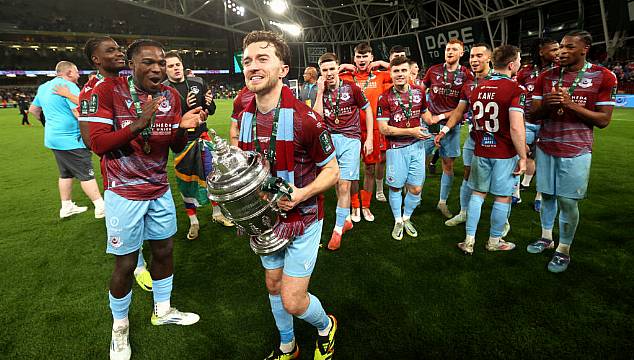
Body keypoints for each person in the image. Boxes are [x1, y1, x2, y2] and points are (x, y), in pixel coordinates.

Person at [81, 39, 205, 360]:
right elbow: (97, 144)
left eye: (161, 63)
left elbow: (176, 146)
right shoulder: (108, 92)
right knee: (125, 263)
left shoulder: (170, 95)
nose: (157, 69)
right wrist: (139, 124)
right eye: (148, 63)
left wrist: (186, 127)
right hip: (124, 193)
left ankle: (162, 310)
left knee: (164, 250)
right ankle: (119, 328)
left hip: (159, 189)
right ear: (132, 65)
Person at [237, 30, 339, 360]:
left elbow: (333, 171)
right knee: (272, 285)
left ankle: (325, 326)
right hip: (267, 219)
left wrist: (301, 194)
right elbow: (248, 167)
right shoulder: (245, 114)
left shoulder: (307, 119)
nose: (252, 66)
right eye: (248, 60)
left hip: (302, 218)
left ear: (284, 69)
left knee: (293, 300)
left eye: (262, 58)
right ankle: (288, 346)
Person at [527, 30, 617, 272]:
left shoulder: (603, 76)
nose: (562, 52)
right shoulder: (546, 76)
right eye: (560, 48)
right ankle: (546, 237)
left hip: (577, 150)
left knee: (567, 201)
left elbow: (603, 120)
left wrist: (570, 105)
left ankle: (563, 249)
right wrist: (547, 105)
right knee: (546, 195)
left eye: (568, 47)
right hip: (546, 145)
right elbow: (531, 114)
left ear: (584, 49)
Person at [78, 36, 153, 293]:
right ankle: (140, 266)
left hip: (146, 168)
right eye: (110, 51)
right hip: (120, 172)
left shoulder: (129, 82)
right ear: (96, 59)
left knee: (150, 225)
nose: (119, 53)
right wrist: (131, 135)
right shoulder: (92, 90)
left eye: (119, 49)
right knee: (130, 237)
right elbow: (93, 141)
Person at [454, 44, 527, 255]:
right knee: (502, 197)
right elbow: (516, 126)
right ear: (512, 64)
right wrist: (523, 156)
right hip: (504, 152)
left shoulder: (478, 88)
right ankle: (494, 241)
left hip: (481, 149)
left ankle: (468, 241)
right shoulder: (515, 89)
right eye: (519, 61)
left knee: (477, 194)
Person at [163, 51, 233, 240]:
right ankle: (193, 222)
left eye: (177, 64)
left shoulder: (198, 82)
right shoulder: (163, 90)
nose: (175, 68)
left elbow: (210, 110)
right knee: (186, 183)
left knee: (213, 177)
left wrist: (210, 104)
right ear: (165, 69)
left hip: (203, 138)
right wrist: (183, 108)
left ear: (182, 65)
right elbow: (164, 120)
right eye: (170, 66)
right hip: (181, 143)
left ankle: (217, 213)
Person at [28, 61, 105, 219]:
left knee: (66, 173)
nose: (78, 75)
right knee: (86, 173)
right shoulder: (68, 86)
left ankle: (67, 206)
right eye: (76, 72)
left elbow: (33, 110)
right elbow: (79, 111)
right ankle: (100, 206)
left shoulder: (43, 87)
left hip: (53, 138)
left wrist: (49, 125)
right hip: (71, 138)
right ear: (69, 72)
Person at [313, 52, 373, 250]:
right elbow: (317, 118)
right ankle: (345, 218)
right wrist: (320, 93)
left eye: (332, 69)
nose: (329, 73)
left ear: (337, 68)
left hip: (351, 140)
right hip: (330, 140)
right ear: (320, 72)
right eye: (325, 70)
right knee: (338, 185)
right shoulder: (320, 90)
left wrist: (370, 137)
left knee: (345, 185)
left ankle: (337, 230)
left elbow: (368, 109)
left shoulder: (352, 88)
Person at [437, 43, 494, 227]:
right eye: (472, 57)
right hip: (474, 136)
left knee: (498, 184)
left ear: (489, 58)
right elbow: (459, 111)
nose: (474, 60)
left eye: (479, 56)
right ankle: (463, 212)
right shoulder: (469, 84)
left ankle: (503, 222)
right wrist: (445, 130)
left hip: (498, 141)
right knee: (468, 174)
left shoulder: (500, 80)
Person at [377, 56, 432, 240]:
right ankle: (397, 220)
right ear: (391, 73)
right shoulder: (384, 98)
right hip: (396, 148)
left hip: (417, 146)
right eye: (396, 71)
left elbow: (426, 114)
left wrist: (442, 123)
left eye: (403, 70)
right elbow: (384, 129)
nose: (400, 74)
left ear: (410, 72)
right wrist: (412, 131)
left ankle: (407, 217)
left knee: (416, 189)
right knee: (395, 188)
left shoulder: (419, 93)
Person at [338, 42, 392, 222]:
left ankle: (366, 206)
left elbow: (404, 75)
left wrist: (383, 64)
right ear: (354, 58)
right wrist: (341, 67)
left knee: (369, 168)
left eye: (365, 56)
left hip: (373, 130)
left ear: (371, 58)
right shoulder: (345, 76)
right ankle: (354, 206)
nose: (362, 60)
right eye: (358, 57)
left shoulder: (380, 76)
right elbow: (325, 76)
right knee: (351, 170)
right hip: (350, 130)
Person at [422, 39, 474, 219]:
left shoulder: (467, 75)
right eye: (447, 49)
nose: (450, 52)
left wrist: (442, 117)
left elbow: (464, 106)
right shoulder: (433, 70)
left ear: (461, 53)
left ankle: (442, 202)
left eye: (454, 50)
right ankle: (413, 196)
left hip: (451, 126)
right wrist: (425, 113)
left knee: (448, 164)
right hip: (429, 124)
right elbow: (420, 94)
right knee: (419, 161)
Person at [515, 38, 559, 211]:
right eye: (554, 49)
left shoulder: (560, 72)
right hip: (527, 121)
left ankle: (539, 196)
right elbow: (516, 94)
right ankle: (515, 193)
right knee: (520, 156)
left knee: (544, 161)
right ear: (541, 52)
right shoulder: (525, 72)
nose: (558, 52)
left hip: (549, 124)